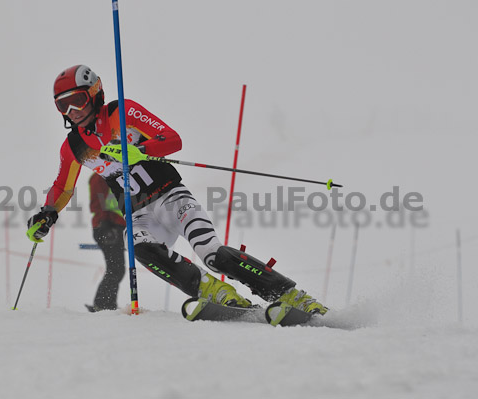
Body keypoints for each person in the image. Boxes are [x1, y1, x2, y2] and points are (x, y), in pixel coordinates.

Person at [27, 64, 327, 315]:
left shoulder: (121, 112)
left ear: (94, 94)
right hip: (139, 213)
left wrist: (140, 148)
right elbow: (62, 187)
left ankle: (290, 296)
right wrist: (47, 213)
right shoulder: (74, 147)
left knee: (212, 254)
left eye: (77, 100)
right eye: (62, 104)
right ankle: (211, 291)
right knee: (137, 245)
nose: (72, 110)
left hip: (171, 197)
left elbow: (172, 139)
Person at [85, 172, 126, 312]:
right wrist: (105, 224)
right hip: (107, 227)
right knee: (116, 268)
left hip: (116, 226)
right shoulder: (100, 177)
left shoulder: (116, 174)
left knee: (116, 268)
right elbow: (98, 203)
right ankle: (103, 305)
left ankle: (105, 304)